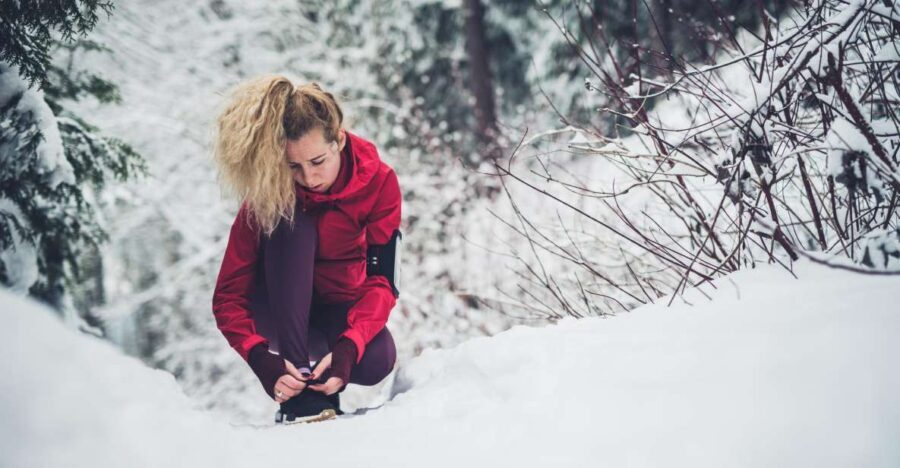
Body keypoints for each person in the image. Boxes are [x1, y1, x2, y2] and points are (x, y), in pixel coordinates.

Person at [210, 75, 401, 424]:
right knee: (291, 219)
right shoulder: (269, 189)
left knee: (378, 358)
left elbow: (384, 280)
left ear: (339, 140)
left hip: (336, 306)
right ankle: (299, 395)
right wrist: (259, 358)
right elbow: (228, 296)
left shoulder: (380, 182)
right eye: (293, 166)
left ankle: (323, 387)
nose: (309, 178)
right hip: (275, 309)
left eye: (317, 162)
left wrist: (349, 344)